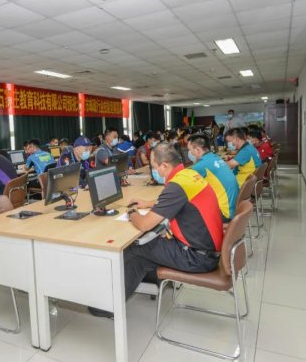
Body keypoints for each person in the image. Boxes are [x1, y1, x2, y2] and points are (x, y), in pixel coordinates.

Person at [89, 144, 223, 318]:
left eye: (154, 167)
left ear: (164, 166)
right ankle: (124, 291)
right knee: (145, 249)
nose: (153, 171)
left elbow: (144, 224)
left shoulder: (176, 186)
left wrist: (132, 212)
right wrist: (147, 203)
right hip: (206, 251)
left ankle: (108, 302)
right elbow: (175, 199)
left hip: (197, 258)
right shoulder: (189, 175)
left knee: (136, 246)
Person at [188, 134, 239, 221]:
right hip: (233, 207)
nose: (190, 153)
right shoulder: (215, 157)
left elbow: (186, 184)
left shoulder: (202, 165)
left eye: (190, 150)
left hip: (224, 212)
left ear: (198, 150)